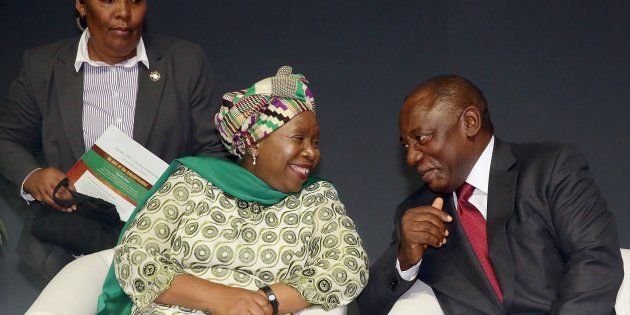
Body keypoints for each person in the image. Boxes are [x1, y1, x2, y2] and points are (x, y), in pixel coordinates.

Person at [97, 66, 369, 314]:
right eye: (299, 139)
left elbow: (349, 265)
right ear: (254, 143)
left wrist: (267, 301)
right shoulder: (191, 182)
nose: (311, 152)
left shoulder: (317, 200)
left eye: (316, 141)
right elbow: (135, 255)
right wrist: (221, 298)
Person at [357, 75, 623, 314]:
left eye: (422, 138)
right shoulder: (418, 210)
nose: (412, 157)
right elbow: (368, 305)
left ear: (469, 123)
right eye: (406, 145)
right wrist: (406, 258)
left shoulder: (550, 169)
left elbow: (595, 259)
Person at [0, 0, 225, 280]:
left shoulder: (185, 60)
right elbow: (7, 139)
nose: (123, 12)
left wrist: (179, 202)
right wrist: (32, 176)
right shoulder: (42, 65)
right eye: (108, 0)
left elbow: (214, 150)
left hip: (165, 249)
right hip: (68, 248)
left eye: (135, 1)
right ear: (81, 5)